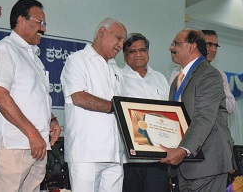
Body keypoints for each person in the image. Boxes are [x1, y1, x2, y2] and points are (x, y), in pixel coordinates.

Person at [0, 0, 61, 192]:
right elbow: (0, 96)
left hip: (37, 144)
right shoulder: (4, 50)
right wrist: (33, 133)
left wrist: (51, 120)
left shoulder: (34, 57)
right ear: (20, 20)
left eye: (44, 24)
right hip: (14, 144)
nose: (43, 29)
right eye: (39, 22)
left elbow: (34, 97)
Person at [160, 28, 234, 192]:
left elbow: (204, 118)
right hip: (186, 166)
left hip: (207, 164)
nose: (171, 48)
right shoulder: (177, 81)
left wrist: (183, 150)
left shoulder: (209, 74)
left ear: (192, 46)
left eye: (176, 43)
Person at [60, 17, 127, 192]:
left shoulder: (117, 70)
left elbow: (125, 108)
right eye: (118, 38)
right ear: (101, 33)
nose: (121, 45)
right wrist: (115, 107)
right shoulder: (77, 60)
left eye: (123, 41)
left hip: (115, 153)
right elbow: (79, 97)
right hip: (86, 153)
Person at [122, 33, 170, 192]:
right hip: (129, 159)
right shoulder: (118, 77)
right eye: (133, 51)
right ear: (124, 55)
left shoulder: (160, 78)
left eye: (142, 50)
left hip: (158, 159)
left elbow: (169, 113)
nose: (139, 54)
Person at [169, 29, 235, 115]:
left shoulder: (217, 75)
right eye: (209, 44)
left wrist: (212, 98)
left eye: (215, 46)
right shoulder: (178, 73)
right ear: (196, 45)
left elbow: (231, 106)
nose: (213, 50)